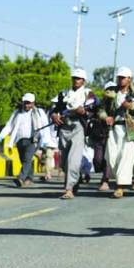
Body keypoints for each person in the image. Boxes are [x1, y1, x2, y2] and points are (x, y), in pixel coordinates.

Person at [96, 67, 134, 199]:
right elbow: (101, 109)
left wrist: (131, 106)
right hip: (114, 129)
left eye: (123, 77)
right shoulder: (111, 93)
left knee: (126, 157)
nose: (121, 79)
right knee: (111, 157)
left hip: (131, 129)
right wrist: (105, 117)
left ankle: (120, 187)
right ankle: (120, 180)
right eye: (119, 77)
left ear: (129, 79)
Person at [51, 68, 95, 199]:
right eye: (74, 78)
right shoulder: (63, 94)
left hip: (78, 127)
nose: (76, 81)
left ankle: (68, 189)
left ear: (84, 81)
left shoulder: (89, 94)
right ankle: (74, 181)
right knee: (64, 161)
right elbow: (54, 108)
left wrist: (85, 112)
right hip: (64, 128)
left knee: (73, 159)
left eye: (79, 78)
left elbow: (94, 109)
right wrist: (54, 115)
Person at [0, 93, 49, 187]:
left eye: (29, 103)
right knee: (24, 160)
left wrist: (45, 140)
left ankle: (20, 177)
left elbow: (44, 126)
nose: (27, 105)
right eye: (25, 103)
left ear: (33, 103)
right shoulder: (17, 113)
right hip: (20, 140)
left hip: (33, 140)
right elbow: (9, 125)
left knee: (27, 158)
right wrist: (2, 134)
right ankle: (29, 178)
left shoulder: (38, 112)